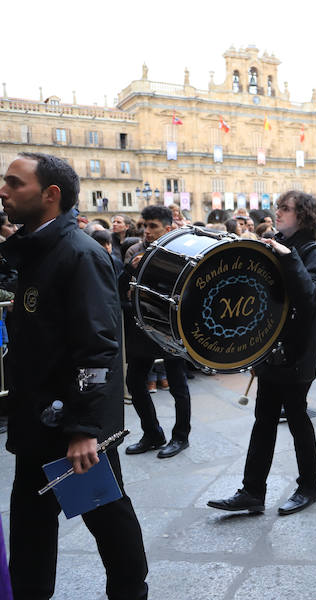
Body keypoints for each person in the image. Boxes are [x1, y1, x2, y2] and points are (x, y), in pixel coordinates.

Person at [0, 152, 148, 599]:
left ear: (51, 194)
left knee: (107, 517)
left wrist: (85, 429)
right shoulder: (36, 246)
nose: (3, 191)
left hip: (69, 427)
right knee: (29, 528)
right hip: (34, 422)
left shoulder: (79, 254)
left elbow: (98, 345)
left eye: (14, 183)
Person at [207, 191, 316, 516]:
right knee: (263, 420)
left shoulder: (315, 252)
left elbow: (312, 299)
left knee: (298, 420)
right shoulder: (273, 243)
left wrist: (288, 257)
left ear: (302, 215)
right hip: (269, 349)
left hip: (297, 353)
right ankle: (252, 491)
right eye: (278, 207)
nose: (278, 213)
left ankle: (309, 486)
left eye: (286, 208)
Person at [120, 205, 194, 459]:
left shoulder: (181, 252)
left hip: (170, 327)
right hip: (143, 328)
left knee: (178, 385)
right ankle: (152, 433)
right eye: (144, 226)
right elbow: (120, 286)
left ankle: (181, 436)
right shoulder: (136, 251)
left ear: (168, 228)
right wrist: (131, 268)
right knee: (134, 382)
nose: (147, 231)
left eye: (153, 226)